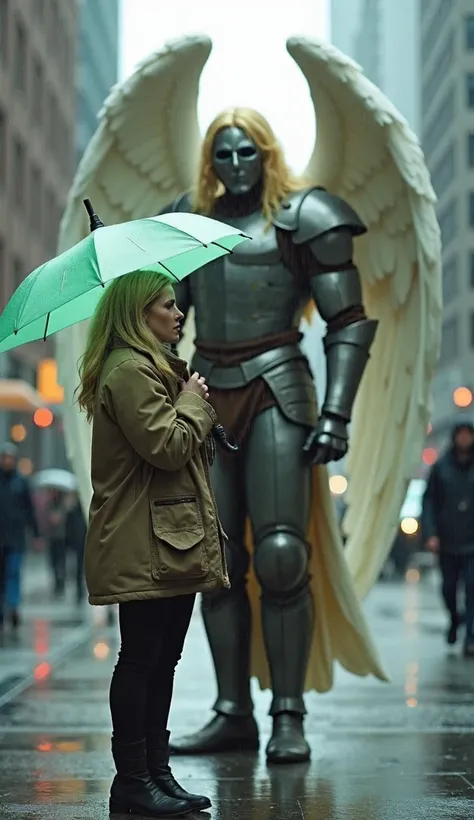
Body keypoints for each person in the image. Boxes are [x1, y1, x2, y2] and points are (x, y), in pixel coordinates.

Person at [160, 108, 378, 763]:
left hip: (280, 387)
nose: (234, 165)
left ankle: (288, 714)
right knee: (215, 563)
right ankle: (233, 712)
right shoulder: (187, 221)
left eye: (245, 152)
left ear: (265, 153)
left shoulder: (305, 216)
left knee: (283, 554)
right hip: (206, 391)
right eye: (222, 154)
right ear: (210, 159)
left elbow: (348, 319)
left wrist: (336, 414)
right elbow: (162, 318)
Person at [76, 268, 229, 817]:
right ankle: (133, 780)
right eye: (166, 305)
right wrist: (191, 400)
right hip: (142, 538)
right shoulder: (127, 370)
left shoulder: (150, 368)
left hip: (168, 536)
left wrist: (182, 388)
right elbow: (166, 446)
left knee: (163, 659)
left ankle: (157, 774)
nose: (178, 312)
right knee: (141, 659)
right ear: (138, 316)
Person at [422, 420, 474, 657]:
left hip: (471, 541)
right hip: (447, 538)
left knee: (472, 588)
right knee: (449, 588)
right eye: (460, 435)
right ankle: (455, 619)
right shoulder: (441, 467)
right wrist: (431, 533)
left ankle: (471, 636)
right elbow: (430, 501)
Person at [0, 442, 40, 630]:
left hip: (15, 538)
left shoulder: (21, 483)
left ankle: (13, 606)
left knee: (14, 573)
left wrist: (36, 533)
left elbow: (29, 510)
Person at [44, 488, 68, 598]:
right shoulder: (49, 505)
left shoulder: (63, 505)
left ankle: (61, 582)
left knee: (61, 561)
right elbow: (45, 518)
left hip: (61, 537)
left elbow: (65, 517)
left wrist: (58, 518)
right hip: (52, 537)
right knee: (53, 562)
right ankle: (56, 583)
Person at [64, 491, 87, 606]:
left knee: (85, 568)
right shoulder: (72, 509)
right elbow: (69, 526)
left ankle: (83, 590)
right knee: (78, 568)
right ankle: (80, 591)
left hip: (87, 540)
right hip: (78, 542)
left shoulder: (88, 507)